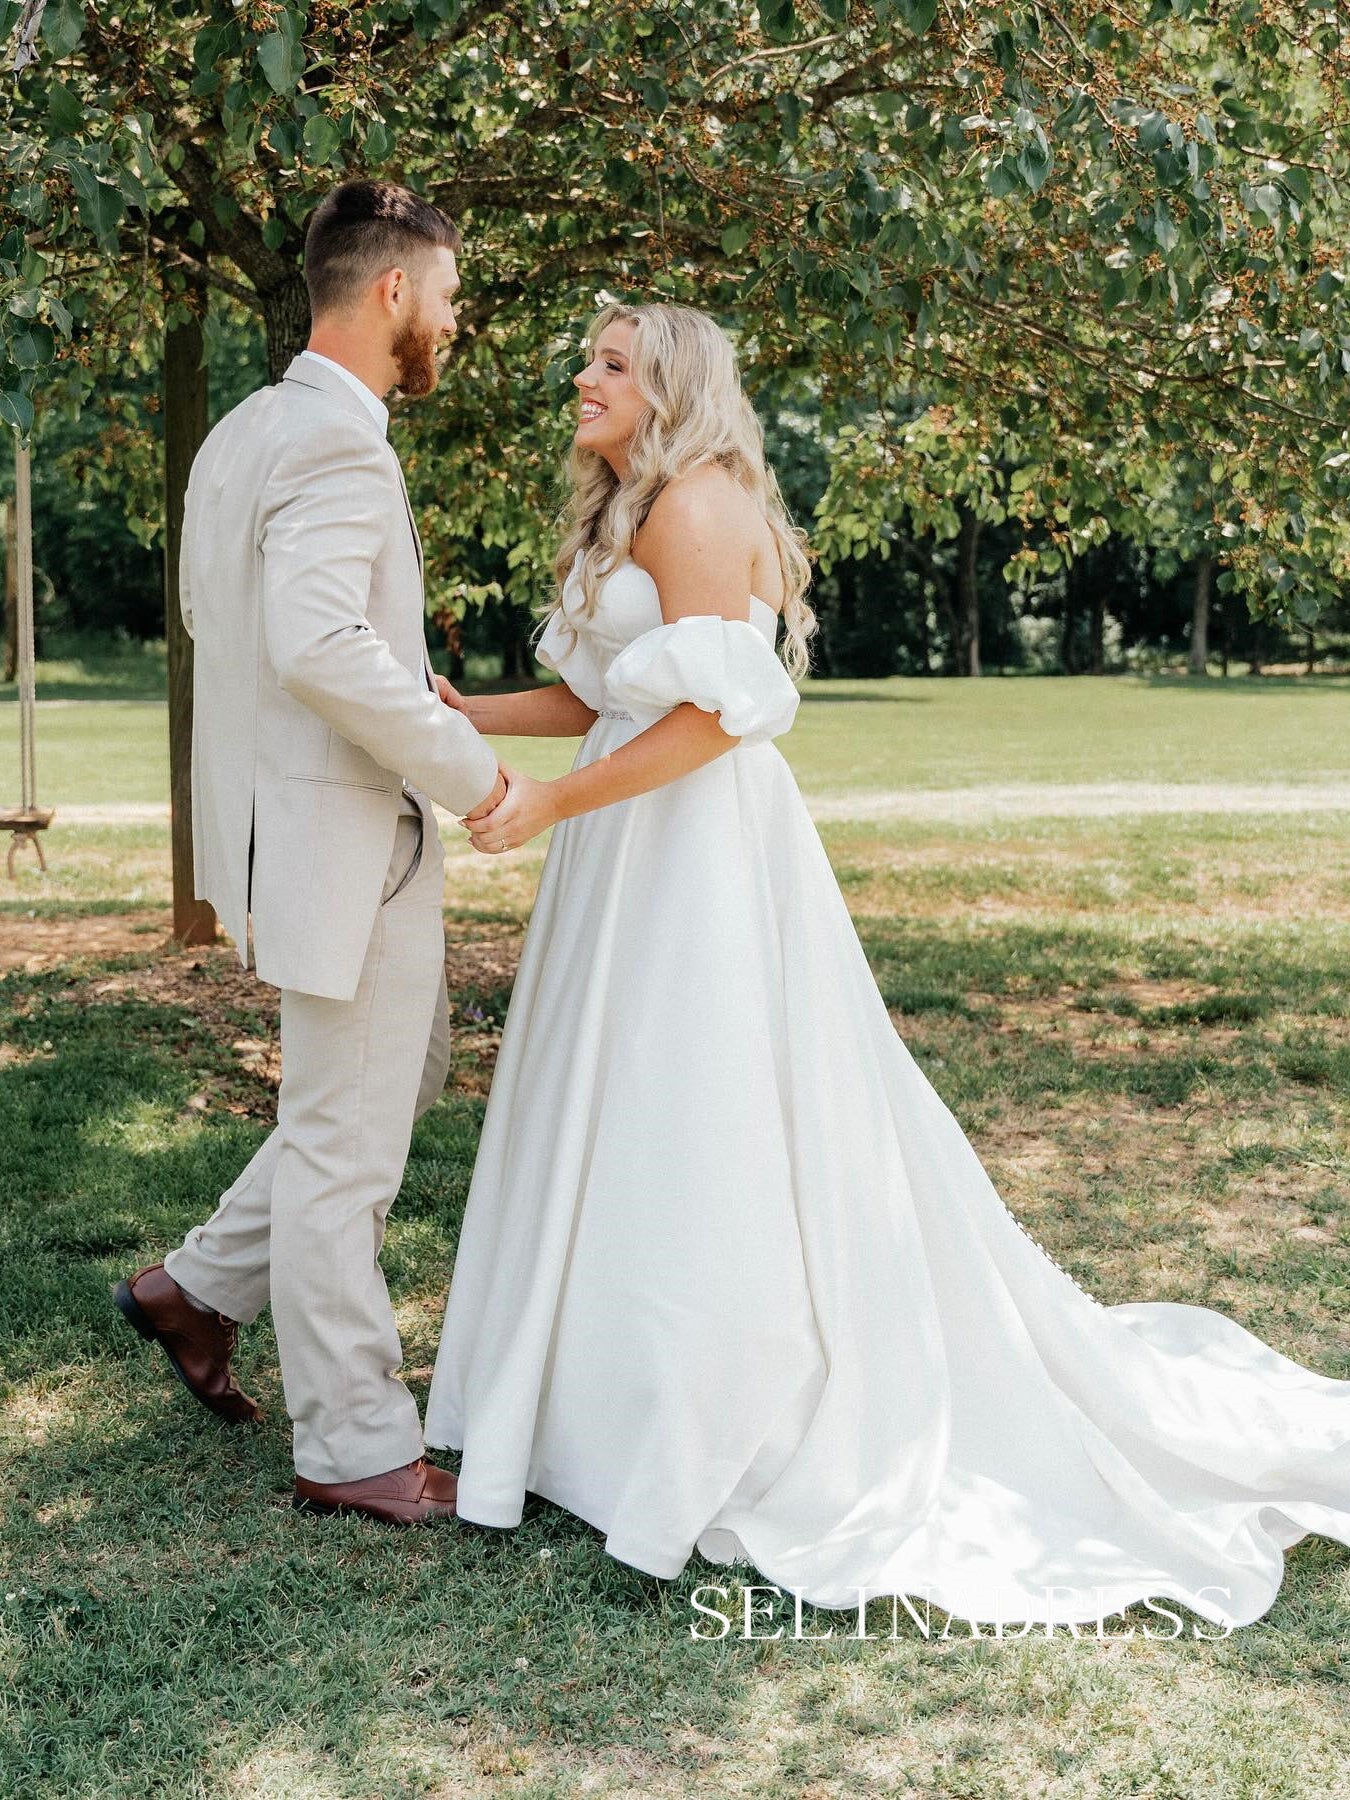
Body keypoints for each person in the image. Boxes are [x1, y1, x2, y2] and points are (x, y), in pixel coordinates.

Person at [423, 300, 1350, 1630]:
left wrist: (553, 805)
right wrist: (470, 718)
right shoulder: (632, 504)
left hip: (690, 849)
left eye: (612, 363)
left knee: (696, 1113)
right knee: (612, 1108)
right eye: (589, 357)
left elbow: (709, 722)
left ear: (671, 385)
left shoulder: (696, 502)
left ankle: (703, 1415)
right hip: (623, 847)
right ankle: (599, 1410)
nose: (583, 375)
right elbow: (600, 694)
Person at [113, 179, 505, 1526]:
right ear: (393, 291)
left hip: (286, 830)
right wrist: (469, 775)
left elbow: (240, 640)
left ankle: (198, 1290)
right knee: (348, 1150)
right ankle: (353, 1446)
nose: (453, 321)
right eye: (448, 296)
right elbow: (318, 646)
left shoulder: (242, 429)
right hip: (349, 836)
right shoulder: (342, 448)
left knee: (371, 1099)